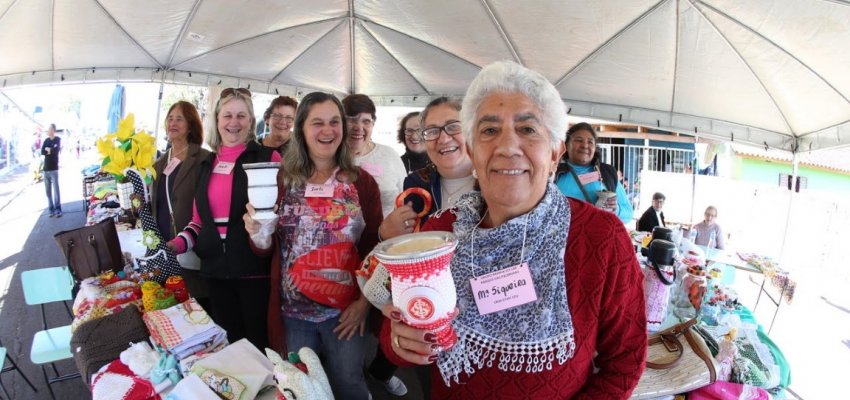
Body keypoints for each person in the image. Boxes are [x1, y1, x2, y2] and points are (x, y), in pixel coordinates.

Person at [380, 61, 647, 398]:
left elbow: (624, 363)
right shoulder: (441, 232)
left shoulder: (601, 237)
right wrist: (399, 340)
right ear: (473, 152)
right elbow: (395, 333)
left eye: (528, 129)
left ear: (555, 152)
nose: (507, 146)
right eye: (489, 130)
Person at [244, 92, 382, 400]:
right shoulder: (281, 180)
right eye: (317, 122)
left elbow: (375, 249)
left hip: (345, 313)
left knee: (349, 384)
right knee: (303, 388)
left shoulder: (361, 183)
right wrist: (257, 233)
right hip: (293, 314)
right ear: (302, 129)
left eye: (334, 122)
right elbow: (266, 248)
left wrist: (364, 304)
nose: (327, 130)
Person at [167, 88, 281, 350]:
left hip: (254, 271)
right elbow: (198, 223)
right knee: (228, 346)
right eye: (227, 115)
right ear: (217, 121)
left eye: (241, 116)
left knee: (260, 345)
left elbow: (282, 215)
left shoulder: (267, 158)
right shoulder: (206, 165)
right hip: (215, 273)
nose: (234, 122)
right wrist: (175, 245)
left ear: (251, 121)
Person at [379, 97, 475, 239]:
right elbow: (403, 242)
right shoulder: (416, 185)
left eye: (453, 126)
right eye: (432, 131)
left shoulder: (494, 181)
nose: (444, 139)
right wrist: (384, 234)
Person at [151, 101, 212, 309]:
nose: (173, 123)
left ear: (191, 125)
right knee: (170, 303)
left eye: (179, 119)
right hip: (163, 243)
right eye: (170, 118)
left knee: (196, 305)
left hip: (193, 245)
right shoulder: (159, 163)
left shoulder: (203, 158)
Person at [555, 122, 634, 223]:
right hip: (565, 232)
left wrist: (616, 210)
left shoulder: (607, 173)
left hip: (598, 232)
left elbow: (628, 214)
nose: (585, 145)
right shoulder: (554, 174)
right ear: (566, 145)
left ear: (595, 147)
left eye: (590, 142)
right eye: (578, 140)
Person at [342, 94, 406, 217]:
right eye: (352, 120)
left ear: (373, 124)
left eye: (366, 121)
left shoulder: (389, 155)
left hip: (388, 229)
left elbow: (404, 198)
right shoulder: (328, 158)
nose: (358, 127)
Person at [42, 124, 62, 217]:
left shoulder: (57, 139)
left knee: (56, 190)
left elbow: (56, 150)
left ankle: (58, 209)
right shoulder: (46, 140)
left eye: (49, 129)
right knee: (48, 191)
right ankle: (51, 209)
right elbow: (42, 151)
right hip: (46, 169)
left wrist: (49, 150)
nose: (48, 130)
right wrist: (49, 150)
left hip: (54, 169)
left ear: (53, 130)